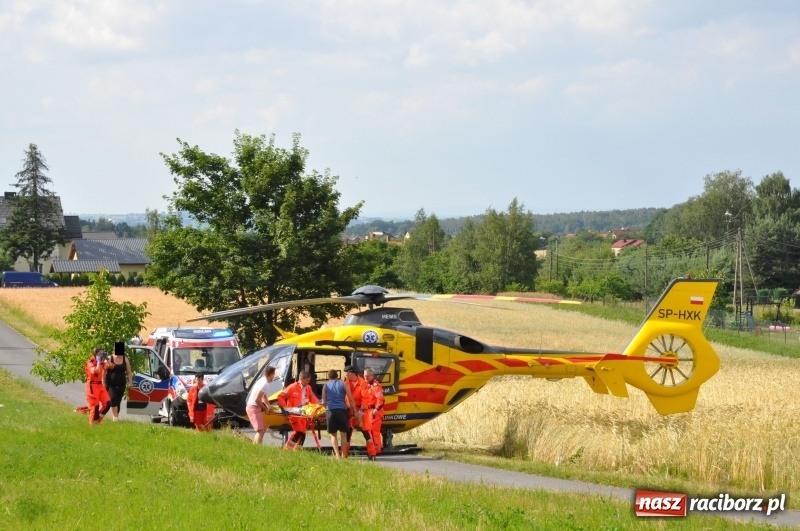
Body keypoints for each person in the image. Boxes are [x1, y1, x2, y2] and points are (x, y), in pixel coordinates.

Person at [277, 370, 319, 450]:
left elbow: (313, 398)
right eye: (307, 380)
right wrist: (285, 408)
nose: (308, 382)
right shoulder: (292, 387)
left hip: (304, 413)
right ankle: (287, 449)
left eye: (309, 381)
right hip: (294, 414)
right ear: (302, 379)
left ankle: (297, 450)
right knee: (299, 431)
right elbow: (280, 397)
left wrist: (318, 407)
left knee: (303, 433)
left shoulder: (308, 388)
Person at [321, 369, 356, 458]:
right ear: (337, 376)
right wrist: (355, 411)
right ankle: (344, 454)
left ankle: (337, 455)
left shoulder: (326, 385)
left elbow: (323, 401)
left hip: (331, 410)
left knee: (333, 434)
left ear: (328, 377)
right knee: (343, 434)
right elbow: (350, 399)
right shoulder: (344, 384)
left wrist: (326, 409)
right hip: (342, 410)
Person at [246, 366, 279, 444]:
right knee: (261, 430)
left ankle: (254, 447)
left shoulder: (264, 381)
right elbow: (257, 399)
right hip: (253, 408)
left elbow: (264, 397)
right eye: (274, 374)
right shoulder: (265, 384)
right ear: (271, 374)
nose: (274, 377)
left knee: (263, 428)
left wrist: (269, 406)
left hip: (255, 407)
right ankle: (257, 448)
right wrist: (266, 409)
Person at [343, 365, 368, 458]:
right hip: (349, 410)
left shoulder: (362, 383)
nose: (345, 374)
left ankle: (372, 453)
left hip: (359, 410)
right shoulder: (346, 382)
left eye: (346, 372)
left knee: (365, 431)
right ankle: (345, 453)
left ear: (351, 373)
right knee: (348, 431)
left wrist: (360, 413)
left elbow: (365, 398)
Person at [104, 341, 133, 421]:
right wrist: (104, 382)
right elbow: (104, 371)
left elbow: (129, 371)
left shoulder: (125, 359)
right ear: (114, 350)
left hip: (121, 383)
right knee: (113, 398)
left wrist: (130, 382)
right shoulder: (110, 358)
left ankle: (116, 416)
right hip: (111, 383)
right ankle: (115, 417)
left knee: (118, 400)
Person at [84, 347, 112, 426]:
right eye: (100, 354)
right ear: (95, 354)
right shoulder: (90, 362)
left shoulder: (102, 361)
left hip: (100, 385)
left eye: (102, 353)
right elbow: (96, 371)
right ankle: (92, 425)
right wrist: (99, 362)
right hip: (92, 386)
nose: (101, 355)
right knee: (95, 407)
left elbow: (111, 366)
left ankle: (97, 422)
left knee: (108, 404)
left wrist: (107, 359)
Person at [362, 368, 385, 459]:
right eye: (364, 376)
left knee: (374, 431)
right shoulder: (365, 384)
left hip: (375, 411)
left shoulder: (376, 386)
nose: (366, 377)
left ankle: (377, 450)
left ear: (372, 376)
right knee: (369, 431)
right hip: (368, 411)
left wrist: (376, 409)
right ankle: (373, 450)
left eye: (367, 376)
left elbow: (380, 400)